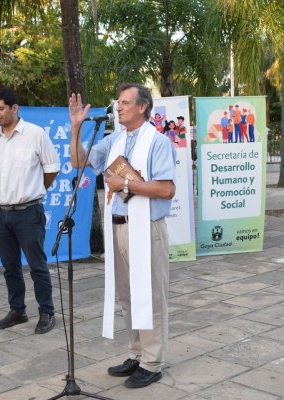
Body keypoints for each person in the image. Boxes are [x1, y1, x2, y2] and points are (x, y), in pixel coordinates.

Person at [69, 84, 176, 389]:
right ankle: (137, 353)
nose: (118, 107)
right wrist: (75, 128)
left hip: (146, 228)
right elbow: (79, 161)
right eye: (118, 102)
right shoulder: (114, 139)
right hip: (117, 226)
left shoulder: (157, 142)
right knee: (128, 295)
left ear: (142, 107)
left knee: (151, 294)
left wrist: (124, 185)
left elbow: (167, 189)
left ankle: (153, 362)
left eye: (125, 103)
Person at [0, 87, 60, 334]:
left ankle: (47, 312)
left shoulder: (35, 134)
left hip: (28, 212)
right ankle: (17, 310)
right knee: (10, 267)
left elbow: (52, 167)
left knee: (37, 265)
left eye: (1, 108)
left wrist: (35, 189)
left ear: (14, 108)